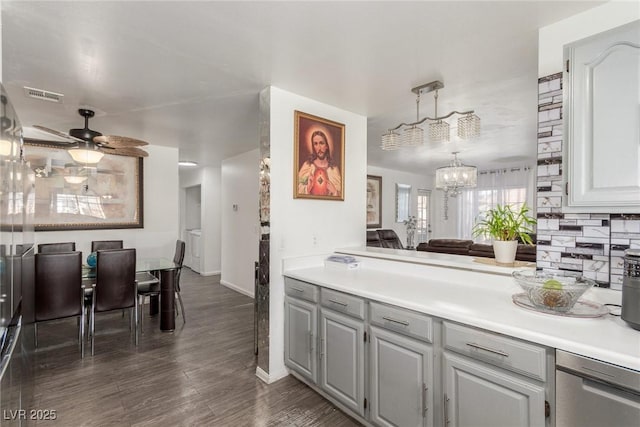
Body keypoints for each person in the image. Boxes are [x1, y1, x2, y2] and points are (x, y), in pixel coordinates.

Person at [297, 130, 342, 197]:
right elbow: (296, 189)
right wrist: (307, 188)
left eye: (321, 143)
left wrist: (335, 191)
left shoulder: (334, 169)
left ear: (326, 146)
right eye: (316, 144)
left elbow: (341, 194)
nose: (319, 148)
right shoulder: (307, 166)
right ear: (313, 147)